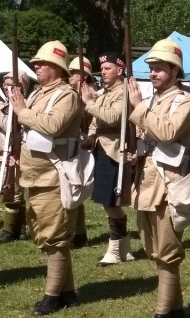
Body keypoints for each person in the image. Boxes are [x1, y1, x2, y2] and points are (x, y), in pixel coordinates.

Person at [127, 38, 190, 318]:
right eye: (151, 68)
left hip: (169, 183)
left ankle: (163, 311)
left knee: (167, 250)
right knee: (153, 248)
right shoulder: (151, 101)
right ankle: (175, 308)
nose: (153, 73)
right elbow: (151, 138)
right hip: (146, 180)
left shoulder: (186, 100)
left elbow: (167, 132)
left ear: (174, 70)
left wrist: (138, 107)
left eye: (159, 68)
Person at [10, 40, 82, 315]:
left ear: (57, 68)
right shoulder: (41, 93)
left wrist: (22, 112)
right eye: (37, 62)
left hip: (55, 174)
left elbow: (52, 125)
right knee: (47, 233)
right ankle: (67, 291)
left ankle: (52, 295)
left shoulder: (66, 94)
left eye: (42, 63)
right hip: (36, 174)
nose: (36, 66)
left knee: (55, 236)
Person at [80, 51, 134, 264]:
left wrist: (89, 103)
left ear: (119, 70)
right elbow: (97, 122)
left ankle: (115, 247)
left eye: (107, 68)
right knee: (106, 199)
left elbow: (112, 116)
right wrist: (90, 137)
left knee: (111, 199)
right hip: (102, 147)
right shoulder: (105, 93)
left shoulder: (124, 92)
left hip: (115, 148)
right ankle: (124, 245)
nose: (102, 72)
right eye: (101, 69)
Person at [0, 71, 30, 244]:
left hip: (15, 153)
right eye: (5, 84)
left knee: (12, 192)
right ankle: (20, 230)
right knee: (13, 192)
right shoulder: (7, 104)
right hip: (2, 153)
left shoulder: (23, 105)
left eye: (10, 84)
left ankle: (8, 230)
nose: (5, 86)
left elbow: (10, 128)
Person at [68, 56, 93, 249]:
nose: (71, 75)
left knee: (75, 189)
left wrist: (89, 136)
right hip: (70, 144)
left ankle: (76, 233)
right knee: (71, 189)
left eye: (75, 72)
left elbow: (95, 121)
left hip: (85, 145)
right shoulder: (68, 93)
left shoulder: (93, 95)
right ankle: (78, 232)